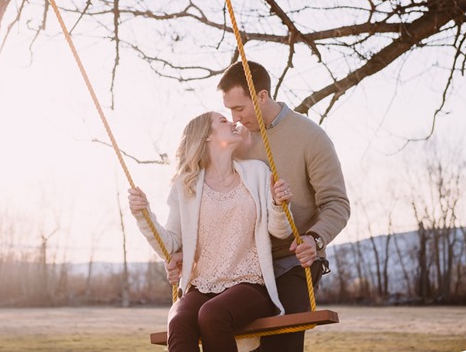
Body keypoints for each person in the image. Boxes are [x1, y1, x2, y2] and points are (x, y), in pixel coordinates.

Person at [165, 61, 351, 352]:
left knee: (280, 346)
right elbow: (211, 198)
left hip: (291, 261)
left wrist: (314, 239)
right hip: (237, 266)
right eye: (229, 111)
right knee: (205, 321)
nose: (234, 118)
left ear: (262, 96)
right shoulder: (238, 139)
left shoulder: (310, 137)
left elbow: (336, 203)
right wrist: (181, 251)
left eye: (239, 108)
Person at [128, 111, 295, 352]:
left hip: (249, 285)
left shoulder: (257, 173)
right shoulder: (185, 186)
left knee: (212, 314)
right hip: (202, 286)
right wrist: (143, 215)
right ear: (206, 136)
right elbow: (171, 244)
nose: (233, 122)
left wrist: (279, 206)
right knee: (178, 320)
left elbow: (280, 231)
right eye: (223, 121)